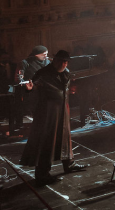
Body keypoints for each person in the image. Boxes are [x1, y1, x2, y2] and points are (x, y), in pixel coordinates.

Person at [19, 50, 86, 185]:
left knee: (65, 137)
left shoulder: (66, 72)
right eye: (61, 61)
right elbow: (34, 85)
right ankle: (42, 174)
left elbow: (66, 86)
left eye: (66, 61)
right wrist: (29, 88)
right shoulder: (43, 73)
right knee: (47, 141)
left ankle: (69, 164)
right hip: (47, 113)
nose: (64, 64)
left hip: (62, 110)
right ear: (54, 60)